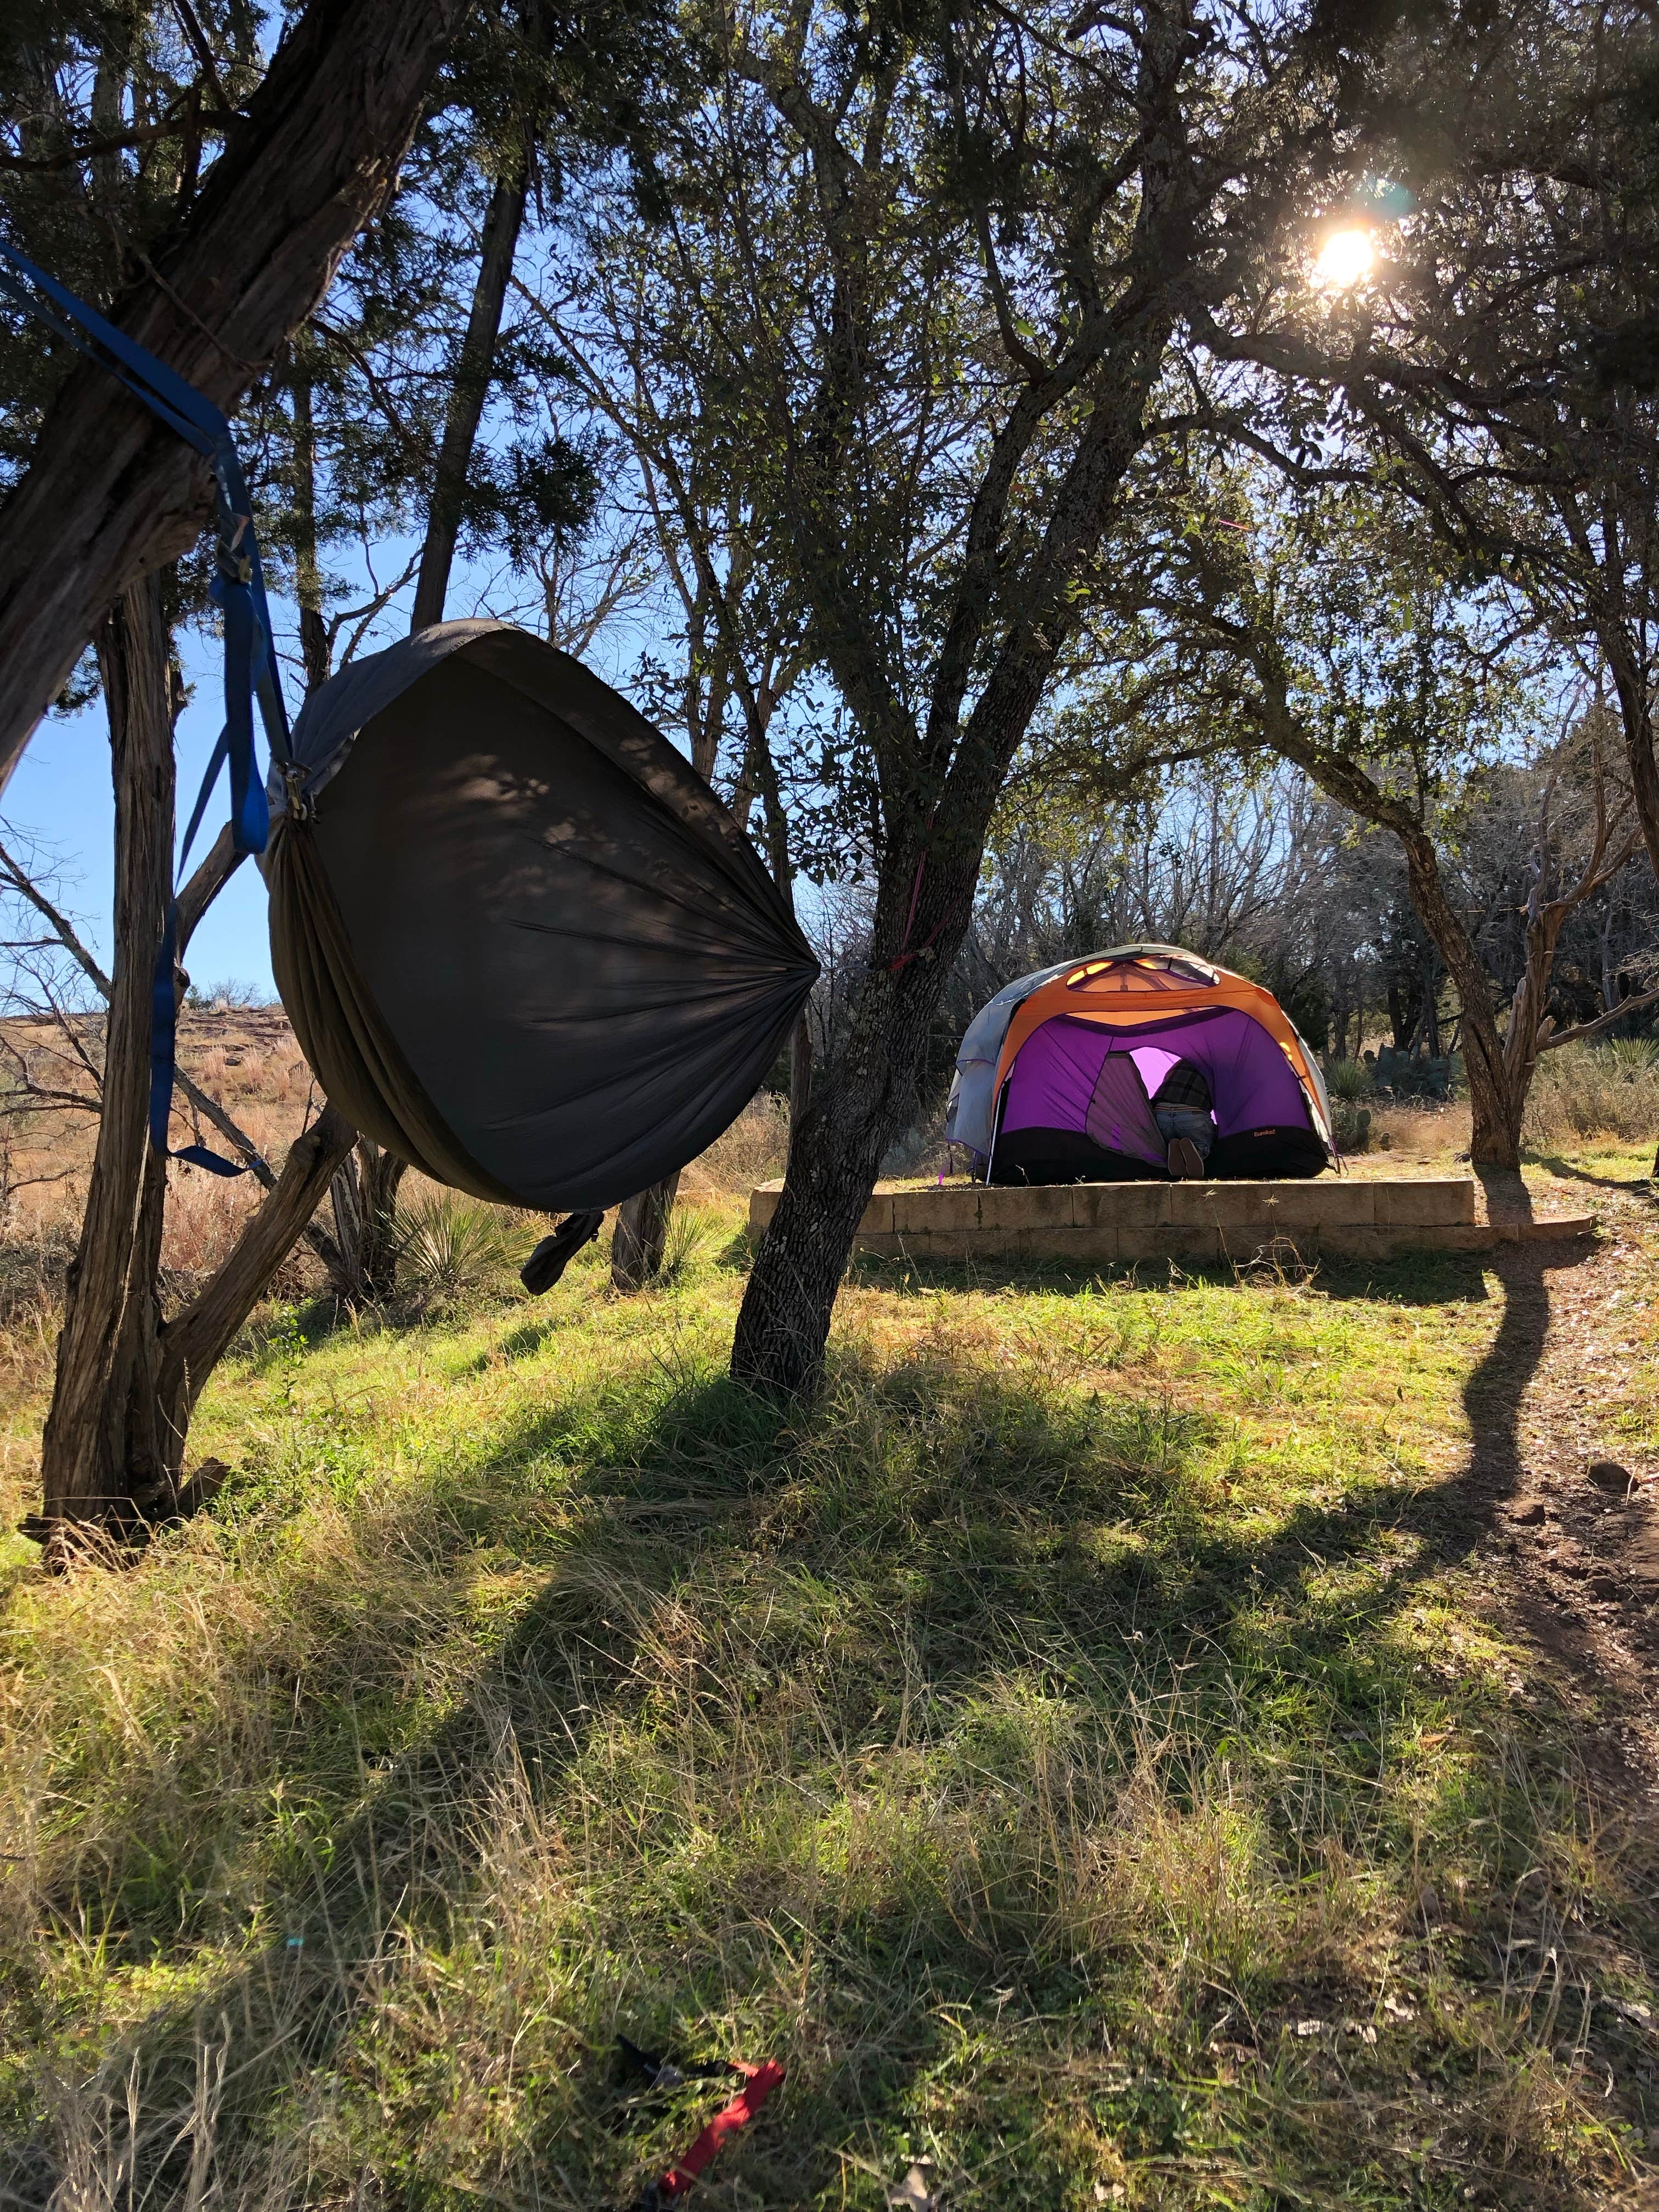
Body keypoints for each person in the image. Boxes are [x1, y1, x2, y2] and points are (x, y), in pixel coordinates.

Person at [1150, 1057, 1214, 1179]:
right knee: (1205, 1140)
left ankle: (1174, 1147)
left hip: (1161, 1114)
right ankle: (1198, 1150)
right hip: (1191, 1115)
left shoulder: (1180, 1063)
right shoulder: (1216, 1065)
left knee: (1174, 1135)